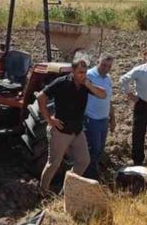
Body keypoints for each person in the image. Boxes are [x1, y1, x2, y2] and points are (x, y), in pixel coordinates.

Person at [38, 58, 107, 197]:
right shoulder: (61, 83)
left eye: (85, 72)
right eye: (80, 72)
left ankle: (65, 191)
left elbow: (103, 94)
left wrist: (89, 85)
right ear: (73, 71)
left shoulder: (86, 84)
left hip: (77, 131)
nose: (83, 74)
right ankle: (43, 192)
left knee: (83, 161)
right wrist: (49, 119)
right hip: (61, 130)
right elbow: (41, 97)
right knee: (53, 164)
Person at [83, 55, 115, 180]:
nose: (106, 68)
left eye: (109, 66)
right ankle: (89, 177)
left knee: (100, 148)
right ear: (97, 62)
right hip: (91, 119)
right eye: (103, 65)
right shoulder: (89, 76)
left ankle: (93, 173)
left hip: (104, 119)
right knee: (93, 148)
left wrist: (112, 118)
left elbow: (109, 99)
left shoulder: (108, 78)